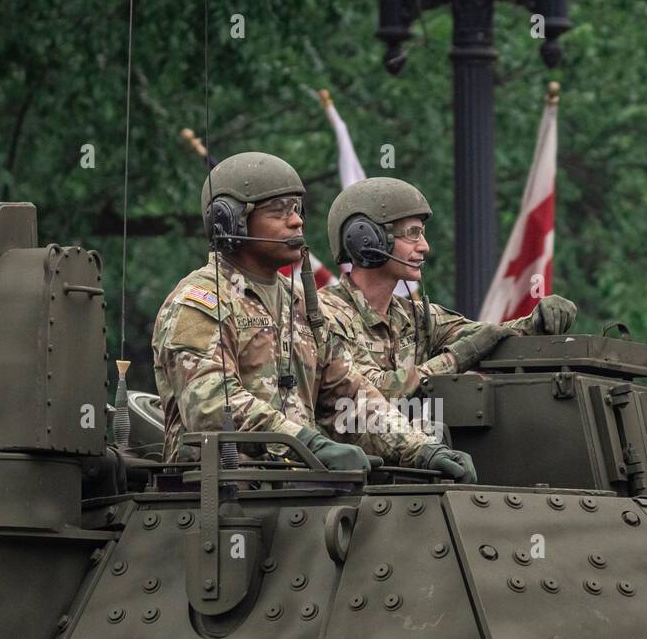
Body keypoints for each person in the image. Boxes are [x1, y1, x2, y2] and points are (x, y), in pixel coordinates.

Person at [152, 152, 476, 481]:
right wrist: (308, 444)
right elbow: (210, 407)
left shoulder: (302, 305)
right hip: (217, 503)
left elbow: (351, 395)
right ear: (230, 221)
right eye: (279, 211)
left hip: (300, 495)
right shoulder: (198, 303)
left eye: (297, 210)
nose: (297, 222)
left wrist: (421, 450)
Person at [318, 177, 577, 398]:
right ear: (367, 240)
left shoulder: (417, 318)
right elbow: (371, 393)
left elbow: (486, 335)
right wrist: (454, 359)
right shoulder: (324, 315)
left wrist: (538, 321)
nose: (424, 246)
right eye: (413, 234)